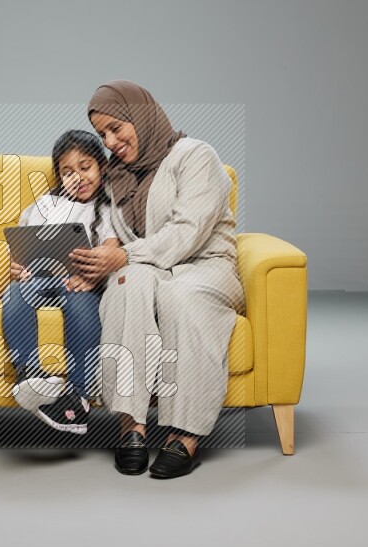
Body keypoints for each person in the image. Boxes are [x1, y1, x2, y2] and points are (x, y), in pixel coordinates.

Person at [69, 80, 246, 477]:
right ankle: (130, 426)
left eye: (117, 128)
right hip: (149, 267)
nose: (110, 141)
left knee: (180, 297)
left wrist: (124, 255)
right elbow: (113, 239)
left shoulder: (196, 156)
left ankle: (184, 435)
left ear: (140, 115)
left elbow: (188, 232)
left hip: (204, 267)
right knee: (125, 285)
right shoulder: (116, 178)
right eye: (102, 135)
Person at [2, 130, 122, 434]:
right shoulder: (47, 204)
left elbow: (112, 245)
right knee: (15, 294)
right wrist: (18, 266)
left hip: (79, 281)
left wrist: (93, 268)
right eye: (68, 172)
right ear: (58, 175)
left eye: (85, 168)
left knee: (83, 306)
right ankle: (30, 375)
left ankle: (79, 393)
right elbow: (22, 242)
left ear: (102, 168)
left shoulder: (108, 207)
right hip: (40, 277)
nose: (78, 177)